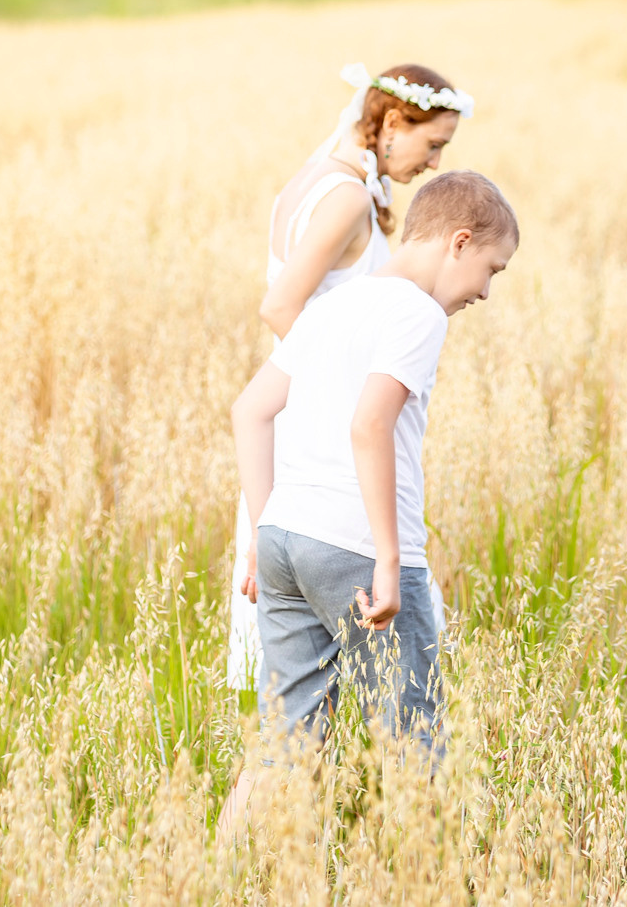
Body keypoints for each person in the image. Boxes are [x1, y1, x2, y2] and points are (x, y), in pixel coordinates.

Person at [220, 171, 520, 832]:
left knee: (282, 743)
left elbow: (250, 410)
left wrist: (262, 527)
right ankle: (420, 880)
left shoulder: (332, 305)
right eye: (491, 269)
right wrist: (389, 558)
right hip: (359, 550)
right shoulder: (416, 314)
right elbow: (370, 424)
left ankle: (221, 879)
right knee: (414, 746)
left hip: (285, 541)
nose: (487, 291)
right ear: (459, 243)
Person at [226, 61, 473, 694]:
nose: (435, 163)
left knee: (293, 713)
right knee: (402, 684)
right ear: (394, 121)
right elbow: (280, 307)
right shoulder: (345, 197)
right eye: (433, 143)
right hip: (323, 450)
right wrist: (337, 387)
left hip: (293, 444)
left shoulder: (314, 179)